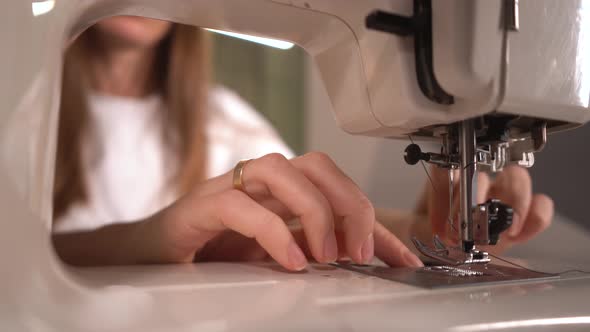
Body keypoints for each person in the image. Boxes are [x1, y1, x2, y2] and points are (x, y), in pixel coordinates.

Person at [51, 17, 554, 271]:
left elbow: (306, 216)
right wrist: (151, 239)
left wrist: (426, 230)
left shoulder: (225, 122)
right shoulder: (21, 116)